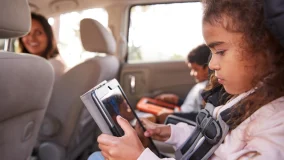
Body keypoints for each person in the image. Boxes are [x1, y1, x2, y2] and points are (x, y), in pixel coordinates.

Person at [91, 0, 284, 159]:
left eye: (221, 51)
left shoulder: (275, 126)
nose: (212, 64)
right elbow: (213, 141)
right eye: (211, 52)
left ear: (263, 49)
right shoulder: (241, 97)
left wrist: (140, 157)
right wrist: (172, 133)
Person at [155, 44, 210, 122]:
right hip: (181, 114)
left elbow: (200, 116)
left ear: (208, 68)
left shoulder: (207, 89)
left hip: (186, 122)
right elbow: (191, 107)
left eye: (196, 69)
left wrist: (173, 115)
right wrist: (178, 101)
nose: (192, 73)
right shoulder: (200, 85)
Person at [18, 12, 67, 81]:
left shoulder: (54, 66)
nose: (32, 38)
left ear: (48, 36)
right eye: (27, 33)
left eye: (38, 33)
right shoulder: (19, 65)